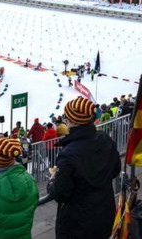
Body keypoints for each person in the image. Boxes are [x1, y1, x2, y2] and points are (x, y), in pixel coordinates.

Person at [46, 97, 120, 239]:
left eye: (66, 117)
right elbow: (115, 170)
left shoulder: (68, 154)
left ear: (72, 120)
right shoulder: (105, 139)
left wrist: (52, 181)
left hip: (77, 223)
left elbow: (61, 193)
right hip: (105, 212)